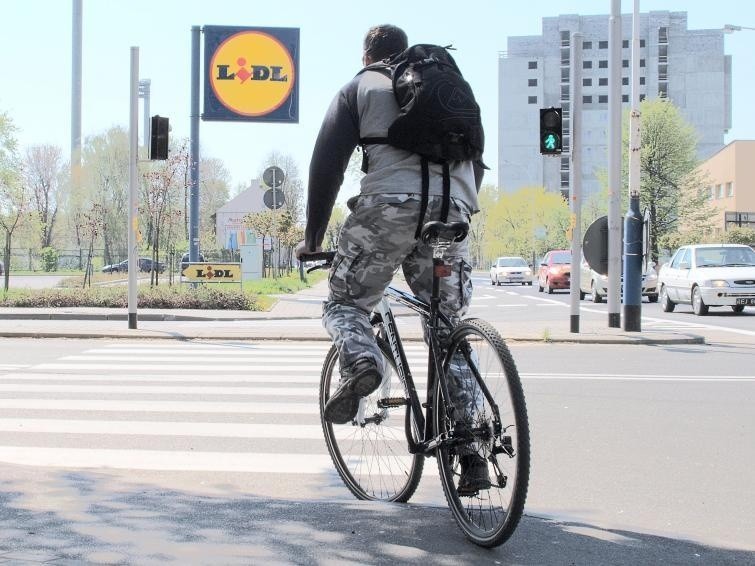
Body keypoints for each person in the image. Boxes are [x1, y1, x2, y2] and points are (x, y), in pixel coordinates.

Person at [296, 25, 488, 494]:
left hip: (388, 211)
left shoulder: (359, 87)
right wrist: (452, 210)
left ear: (367, 55)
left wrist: (312, 238)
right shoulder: (447, 86)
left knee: (345, 304)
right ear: (404, 53)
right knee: (447, 328)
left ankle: (362, 361)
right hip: (452, 215)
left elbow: (327, 167)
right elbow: (476, 159)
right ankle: (471, 450)